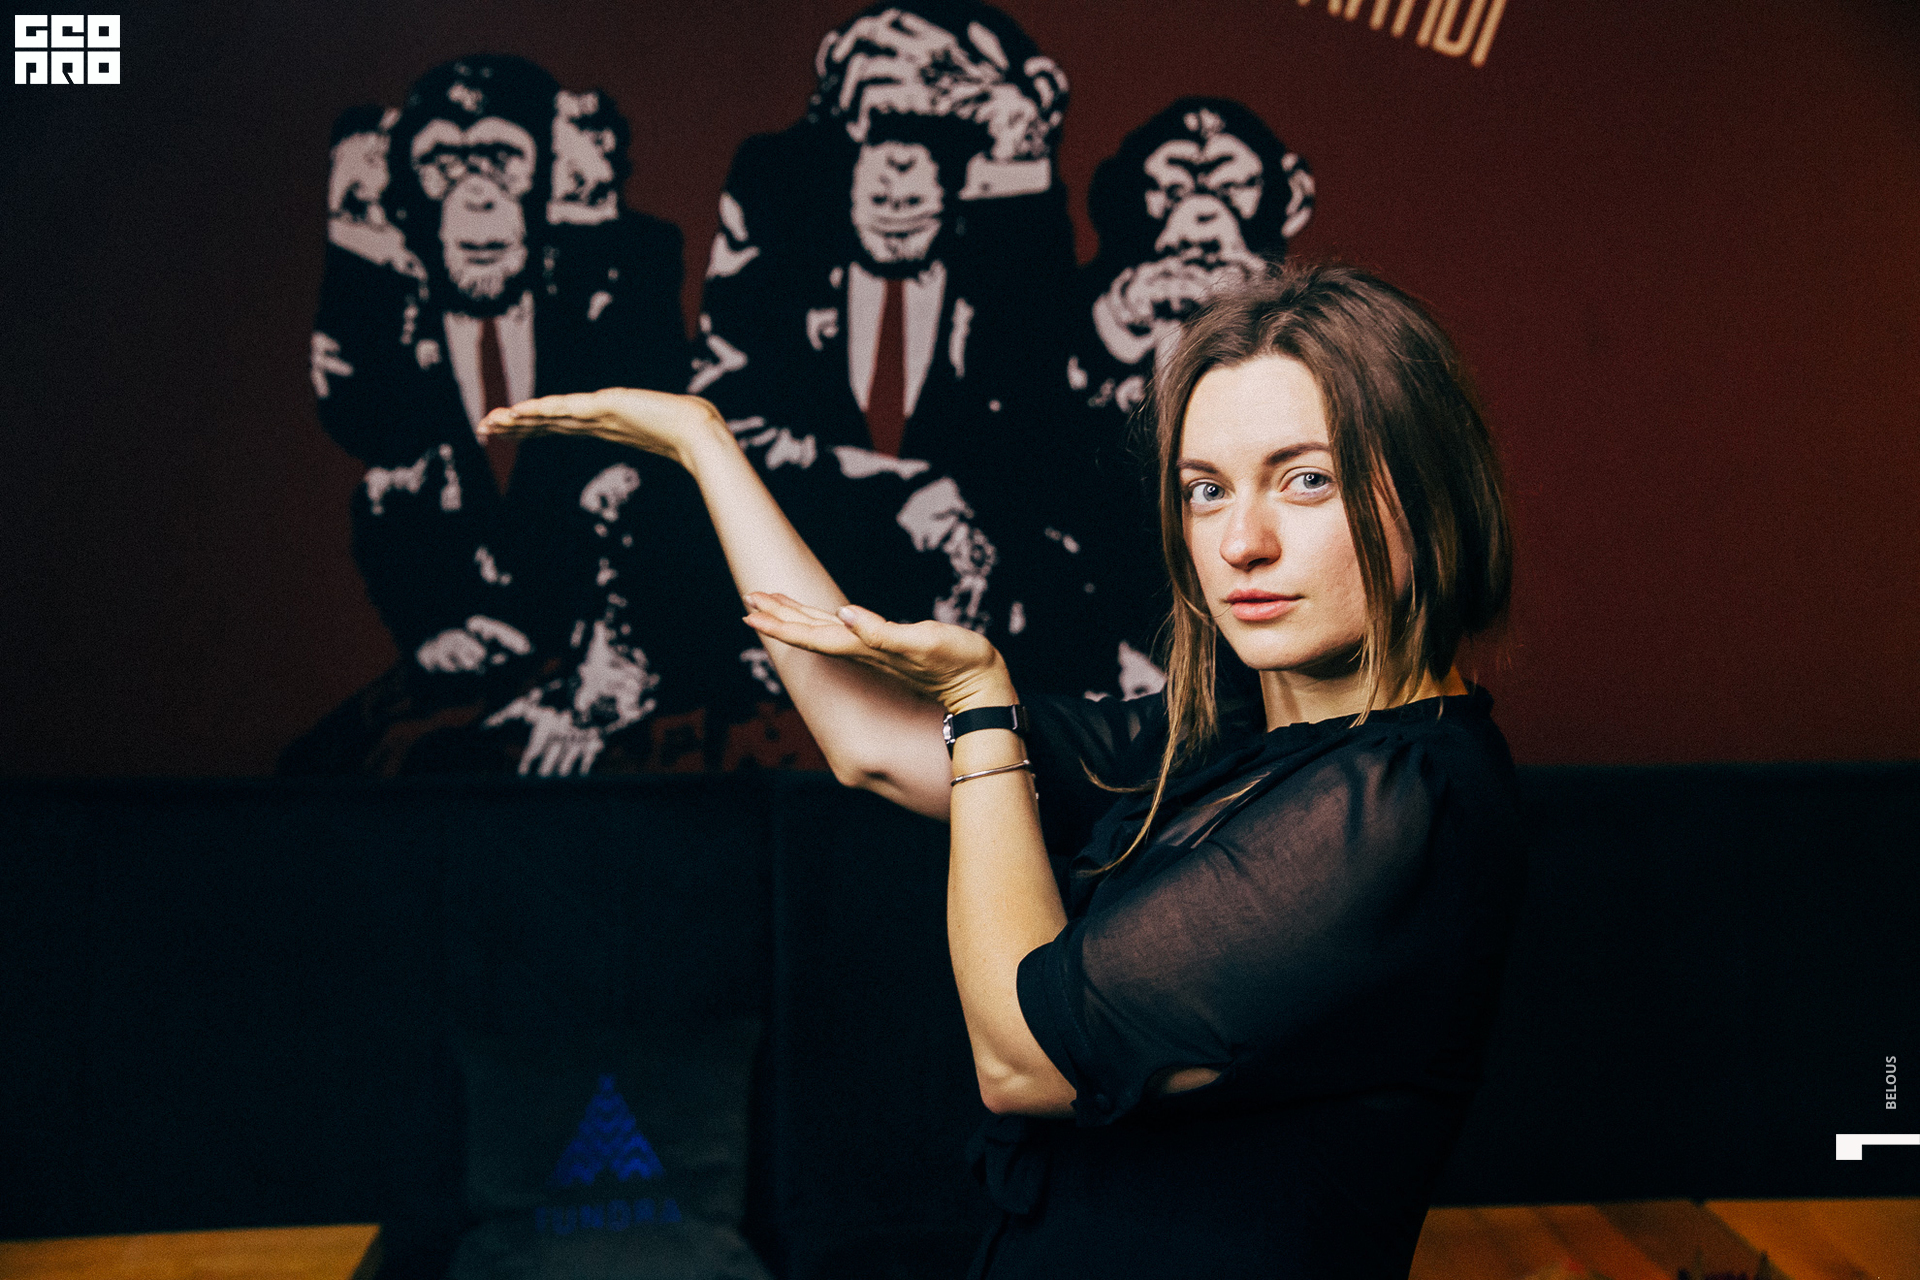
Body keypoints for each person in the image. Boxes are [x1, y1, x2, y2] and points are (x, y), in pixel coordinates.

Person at [480, 261, 1526, 1279]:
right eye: (1205, 490)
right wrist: (706, 447)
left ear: (1427, 491)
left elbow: (1025, 1058)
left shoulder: (1403, 801)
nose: (1241, 542)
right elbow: (873, 739)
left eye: (1307, 480)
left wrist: (979, 702)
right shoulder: (1223, 737)